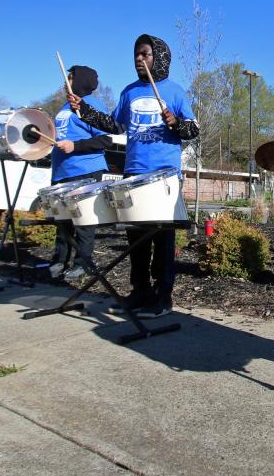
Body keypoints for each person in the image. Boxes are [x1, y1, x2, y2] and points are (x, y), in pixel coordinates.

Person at [69, 34, 198, 319]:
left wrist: (176, 123)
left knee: (162, 239)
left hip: (164, 175)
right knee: (136, 239)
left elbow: (193, 130)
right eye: (136, 55)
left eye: (145, 54)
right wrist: (84, 109)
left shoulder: (175, 92)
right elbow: (115, 124)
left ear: (160, 57)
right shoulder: (129, 92)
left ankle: (163, 296)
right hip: (133, 173)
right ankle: (139, 292)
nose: (139, 59)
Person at [48, 65, 113, 281]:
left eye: (70, 76)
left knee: (83, 223)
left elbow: (105, 139)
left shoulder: (92, 105)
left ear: (81, 80)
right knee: (62, 222)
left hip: (85, 170)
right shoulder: (65, 107)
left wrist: (75, 146)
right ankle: (59, 261)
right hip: (61, 172)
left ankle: (83, 264)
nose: (66, 79)